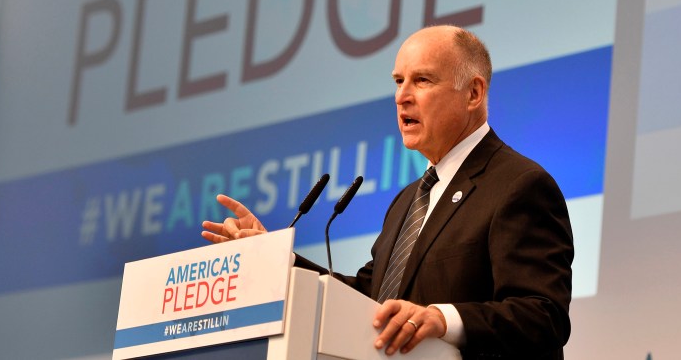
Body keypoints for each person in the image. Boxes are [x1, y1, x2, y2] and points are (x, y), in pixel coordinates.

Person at [202, 25, 574, 359]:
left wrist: (442, 319)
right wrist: (273, 257)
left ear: (473, 93)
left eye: (422, 80)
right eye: (398, 81)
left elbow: (544, 316)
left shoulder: (518, 185)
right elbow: (368, 296)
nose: (402, 97)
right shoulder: (408, 200)